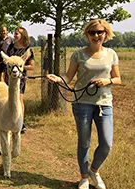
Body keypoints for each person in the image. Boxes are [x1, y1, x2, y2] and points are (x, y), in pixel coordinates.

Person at [46, 18, 121, 189]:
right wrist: (58, 79)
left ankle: (94, 170)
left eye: (100, 32)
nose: (96, 35)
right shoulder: (78, 54)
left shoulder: (111, 54)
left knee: (107, 143)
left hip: (104, 104)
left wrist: (107, 81)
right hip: (82, 103)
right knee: (84, 142)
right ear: (87, 34)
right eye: (92, 32)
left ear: (106, 34)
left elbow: (118, 79)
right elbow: (67, 77)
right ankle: (84, 177)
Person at [5, 27, 34, 134]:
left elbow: (31, 66)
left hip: (20, 78)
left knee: (19, 99)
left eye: (17, 34)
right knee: (10, 98)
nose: (15, 35)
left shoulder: (27, 49)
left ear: (23, 35)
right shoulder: (11, 48)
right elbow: (7, 62)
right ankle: (10, 119)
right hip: (10, 77)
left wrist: (19, 67)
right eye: (15, 33)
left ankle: (20, 122)